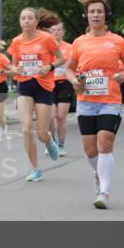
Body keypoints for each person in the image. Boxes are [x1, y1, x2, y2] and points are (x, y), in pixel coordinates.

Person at [65, 0, 124, 209]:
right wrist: (73, 80)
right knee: (90, 151)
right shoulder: (79, 42)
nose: (95, 15)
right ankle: (99, 174)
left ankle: (104, 192)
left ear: (107, 16)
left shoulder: (117, 41)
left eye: (100, 11)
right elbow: (68, 68)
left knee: (104, 143)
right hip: (86, 101)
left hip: (110, 100)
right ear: (86, 16)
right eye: (92, 11)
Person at [8, 8, 64, 181]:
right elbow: (13, 66)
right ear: (20, 21)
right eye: (23, 18)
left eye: (29, 18)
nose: (26, 21)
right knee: (25, 129)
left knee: (41, 133)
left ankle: (48, 140)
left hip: (44, 86)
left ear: (36, 21)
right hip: (25, 84)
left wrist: (50, 67)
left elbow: (61, 58)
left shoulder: (47, 38)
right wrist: (15, 69)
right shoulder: (17, 41)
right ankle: (35, 168)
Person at [48, 22, 74, 157]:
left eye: (59, 30)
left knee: (61, 117)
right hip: (49, 84)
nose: (56, 32)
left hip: (65, 84)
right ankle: (52, 141)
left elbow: (74, 65)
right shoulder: (47, 47)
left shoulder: (70, 47)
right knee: (50, 117)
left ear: (63, 32)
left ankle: (61, 145)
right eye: (53, 30)